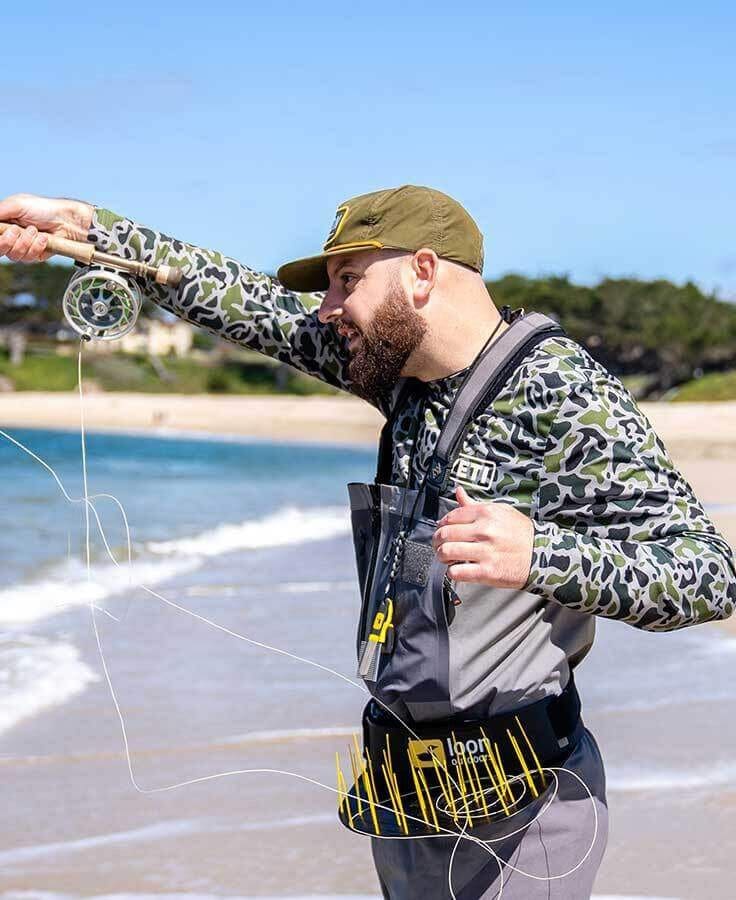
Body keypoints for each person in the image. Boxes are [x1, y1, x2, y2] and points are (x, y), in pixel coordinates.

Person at [1, 186, 734, 899]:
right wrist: (89, 229)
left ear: (422, 271)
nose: (328, 309)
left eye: (347, 280)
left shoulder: (562, 393)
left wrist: (541, 556)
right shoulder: (400, 375)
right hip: (402, 798)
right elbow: (247, 305)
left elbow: (708, 575)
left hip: (528, 806)